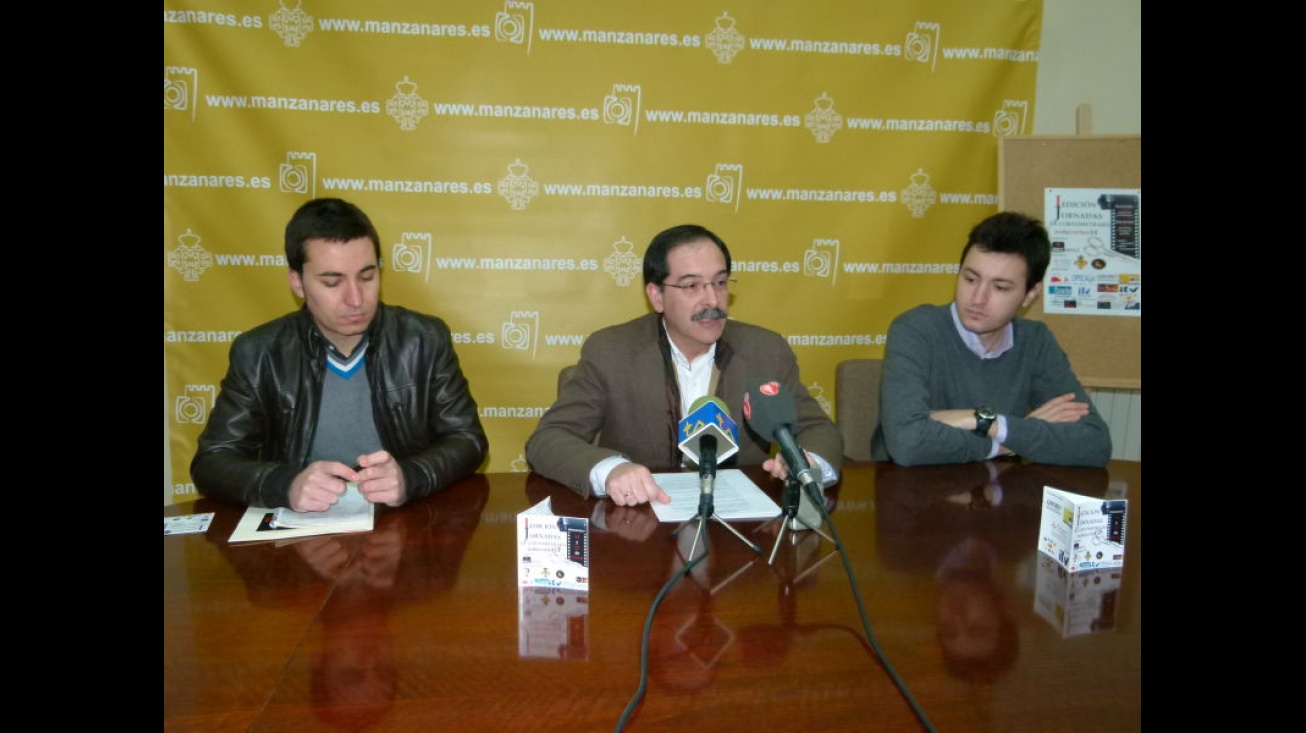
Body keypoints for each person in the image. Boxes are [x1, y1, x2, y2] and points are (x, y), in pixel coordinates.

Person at [191, 198, 488, 511]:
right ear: (297, 282)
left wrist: (410, 476)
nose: (356, 299)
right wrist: (284, 484)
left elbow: (467, 440)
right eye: (332, 282)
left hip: (401, 524)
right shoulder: (260, 354)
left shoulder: (424, 339)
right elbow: (212, 462)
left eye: (367, 276)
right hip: (301, 534)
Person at [525, 223, 842, 505]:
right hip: (641, 527)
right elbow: (548, 440)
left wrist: (809, 461)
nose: (712, 300)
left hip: (740, 531)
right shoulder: (611, 351)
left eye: (719, 282)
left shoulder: (765, 351)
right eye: (691, 286)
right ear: (657, 296)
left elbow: (817, 429)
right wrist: (611, 470)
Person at [872, 211, 1111, 467]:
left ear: (1031, 294)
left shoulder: (1035, 341)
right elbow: (908, 443)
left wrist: (991, 424)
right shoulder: (916, 329)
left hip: (999, 493)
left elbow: (1094, 444)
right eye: (970, 279)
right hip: (913, 495)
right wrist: (1011, 436)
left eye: (1000, 288)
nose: (978, 298)